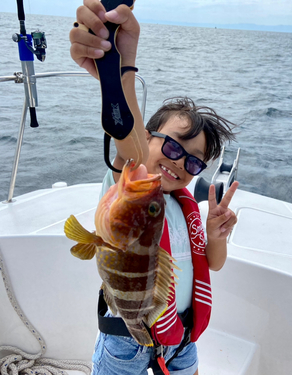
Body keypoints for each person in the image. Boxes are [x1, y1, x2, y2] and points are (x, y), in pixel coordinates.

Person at [70, 2, 239, 374]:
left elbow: (213, 263)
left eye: (194, 161)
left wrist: (216, 235)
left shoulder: (181, 206)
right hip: (125, 341)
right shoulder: (131, 190)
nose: (180, 162)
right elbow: (129, 150)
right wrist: (120, 70)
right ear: (146, 138)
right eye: (174, 146)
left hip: (180, 340)